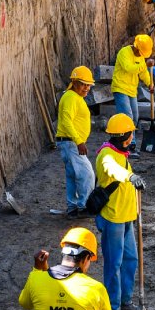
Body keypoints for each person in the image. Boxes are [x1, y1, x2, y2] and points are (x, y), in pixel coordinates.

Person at [92, 113, 146, 310]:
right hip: (113, 218)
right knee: (114, 264)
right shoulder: (106, 154)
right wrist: (130, 176)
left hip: (127, 217)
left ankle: (126, 300)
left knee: (130, 260)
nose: (133, 137)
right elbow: (112, 170)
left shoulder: (120, 152)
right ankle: (113, 308)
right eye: (131, 133)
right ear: (125, 135)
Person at [57, 66, 96, 217]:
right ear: (74, 82)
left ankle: (72, 208)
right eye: (83, 84)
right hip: (71, 143)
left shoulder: (73, 97)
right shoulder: (71, 97)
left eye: (88, 85)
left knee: (73, 175)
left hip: (69, 143)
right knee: (87, 174)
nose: (86, 88)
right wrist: (79, 141)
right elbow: (67, 121)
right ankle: (84, 206)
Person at [110, 35, 154, 135]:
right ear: (136, 47)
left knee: (135, 116)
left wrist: (150, 84)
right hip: (120, 87)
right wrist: (145, 65)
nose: (141, 55)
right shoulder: (124, 53)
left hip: (132, 90)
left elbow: (143, 73)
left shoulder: (141, 57)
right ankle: (130, 143)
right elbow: (129, 68)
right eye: (141, 52)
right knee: (127, 116)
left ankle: (128, 139)